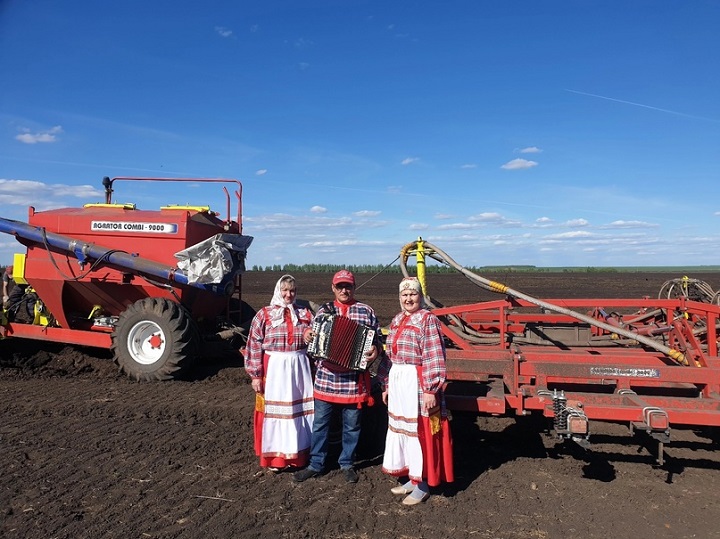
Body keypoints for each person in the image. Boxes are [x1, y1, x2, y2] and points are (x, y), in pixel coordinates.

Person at [293, 269, 384, 484]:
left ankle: (347, 463)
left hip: (353, 379)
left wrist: (375, 349)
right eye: (340, 286)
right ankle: (316, 464)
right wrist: (307, 335)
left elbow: (378, 338)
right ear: (333, 288)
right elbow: (311, 335)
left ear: (354, 287)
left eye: (348, 286)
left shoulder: (365, 311)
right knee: (321, 425)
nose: (344, 290)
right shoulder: (324, 311)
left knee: (351, 426)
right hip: (326, 378)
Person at [380, 276, 454, 505]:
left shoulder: (427, 320)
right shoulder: (398, 319)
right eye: (404, 294)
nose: (408, 298)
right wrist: (386, 383)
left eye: (413, 294)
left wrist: (431, 390)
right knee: (404, 430)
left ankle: (423, 484)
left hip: (417, 383)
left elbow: (434, 355)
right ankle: (412, 479)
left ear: (420, 296)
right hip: (400, 382)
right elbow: (389, 356)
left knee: (420, 432)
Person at [244, 274, 315, 472]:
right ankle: (275, 459)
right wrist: (256, 375)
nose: (288, 294)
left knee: (297, 413)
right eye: (284, 290)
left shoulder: (305, 314)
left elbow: (317, 340)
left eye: (292, 290)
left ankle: (299, 456)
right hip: (274, 368)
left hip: (299, 368)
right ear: (278, 291)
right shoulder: (265, 314)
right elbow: (253, 345)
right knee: (273, 412)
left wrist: (310, 335)